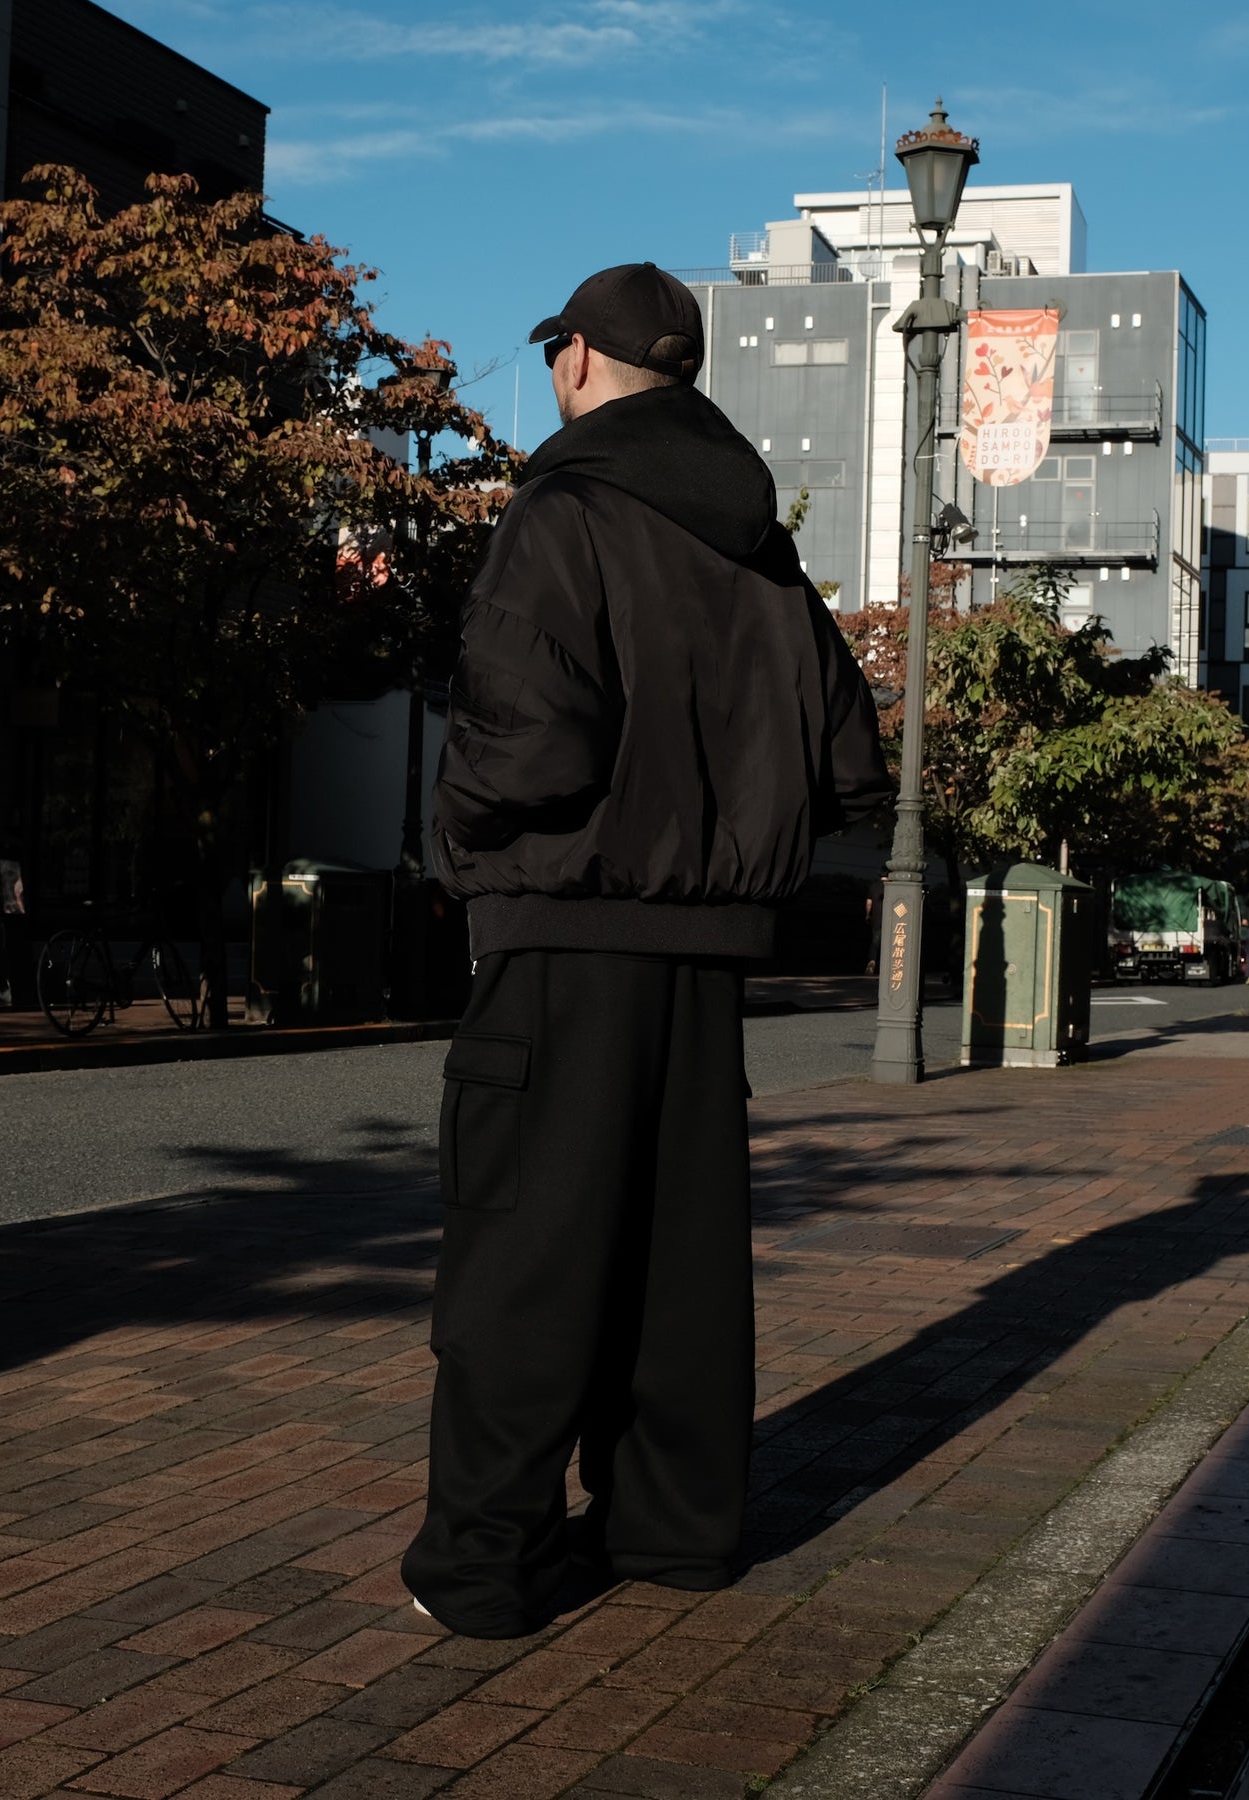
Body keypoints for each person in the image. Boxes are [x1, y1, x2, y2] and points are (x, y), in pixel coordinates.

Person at [400, 263, 891, 1638]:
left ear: (575, 362)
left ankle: (482, 1564)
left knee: (525, 1254)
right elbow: (852, 761)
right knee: (680, 1259)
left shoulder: (565, 509)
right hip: (710, 948)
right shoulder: (760, 542)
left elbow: (525, 738)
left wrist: (465, 842)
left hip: (562, 924)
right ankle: (676, 1535)